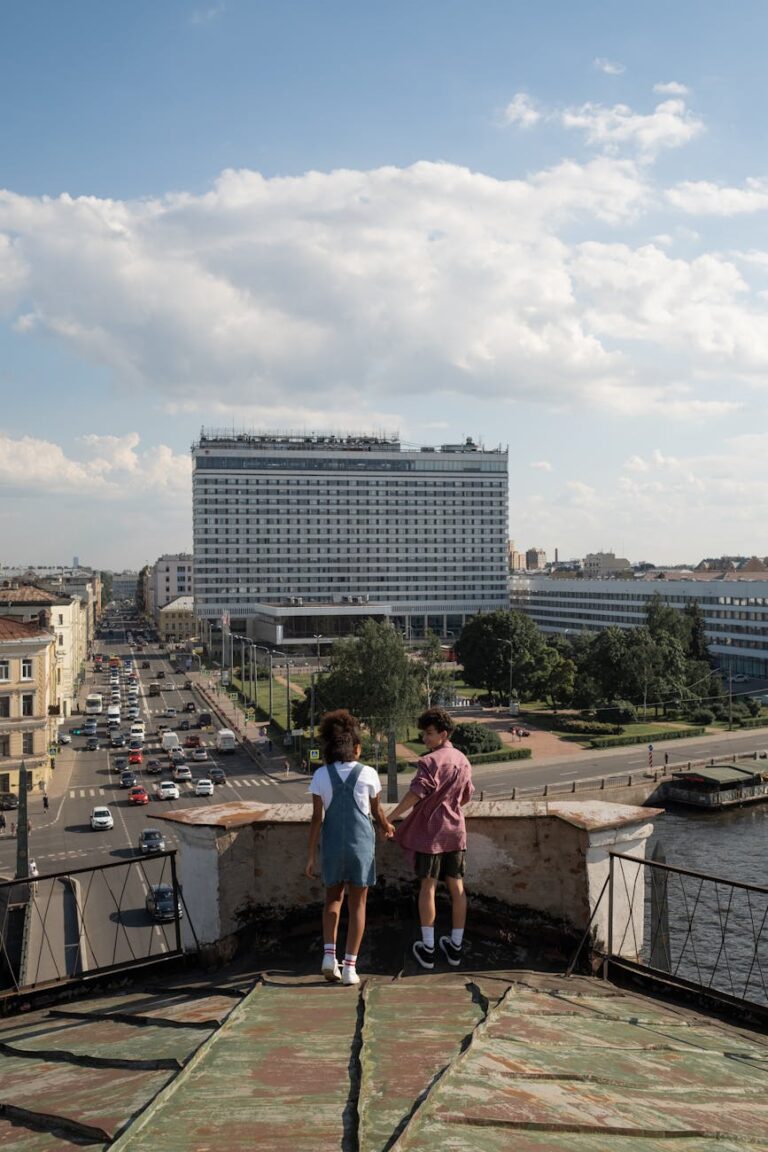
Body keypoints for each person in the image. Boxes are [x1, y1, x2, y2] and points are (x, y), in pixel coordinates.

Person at [305, 709, 393, 986]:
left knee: (333, 899)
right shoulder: (368, 773)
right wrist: (388, 827)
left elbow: (317, 819)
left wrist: (310, 856)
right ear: (355, 748)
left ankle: (329, 956)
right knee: (358, 904)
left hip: (331, 845)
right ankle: (351, 967)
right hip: (361, 847)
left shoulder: (320, 775)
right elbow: (377, 813)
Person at [388, 707, 474, 970]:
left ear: (442, 734)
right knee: (457, 887)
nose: (424, 738)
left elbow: (416, 794)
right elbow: (467, 796)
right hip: (455, 831)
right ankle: (455, 947)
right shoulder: (463, 759)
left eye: (428, 733)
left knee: (428, 888)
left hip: (431, 834)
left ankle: (428, 949)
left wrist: (390, 816)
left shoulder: (429, 762)